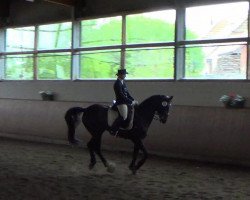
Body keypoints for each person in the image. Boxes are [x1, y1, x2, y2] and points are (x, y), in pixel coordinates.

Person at [110, 69, 138, 135]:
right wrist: (130, 101)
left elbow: (127, 93)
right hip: (121, 102)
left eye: (125, 74)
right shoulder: (117, 83)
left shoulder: (123, 82)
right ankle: (113, 129)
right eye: (124, 74)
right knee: (124, 116)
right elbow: (121, 95)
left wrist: (133, 100)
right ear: (120, 75)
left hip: (125, 102)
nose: (125, 76)